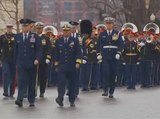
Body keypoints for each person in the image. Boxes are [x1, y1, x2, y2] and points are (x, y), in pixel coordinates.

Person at [14, 18, 42, 107]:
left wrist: (37, 59)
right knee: (21, 81)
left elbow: (39, 50)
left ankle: (31, 99)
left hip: (32, 63)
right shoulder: (17, 36)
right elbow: (15, 50)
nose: (24, 28)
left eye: (26, 26)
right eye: (23, 26)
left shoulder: (35, 37)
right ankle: (20, 99)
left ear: (30, 27)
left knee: (31, 82)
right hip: (21, 63)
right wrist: (16, 61)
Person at [54, 23, 81, 107]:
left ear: (69, 31)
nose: (65, 32)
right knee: (61, 82)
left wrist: (78, 62)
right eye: (64, 31)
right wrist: (56, 64)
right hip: (62, 65)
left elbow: (78, 52)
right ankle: (60, 98)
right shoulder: (59, 40)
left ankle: (72, 100)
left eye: (67, 31)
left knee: (72, 83)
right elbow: (56, 53)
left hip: (72, 65)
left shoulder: (74, 40)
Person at [97, 17, 124, 98]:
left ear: (112, 24)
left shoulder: (117, 33)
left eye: (110, 23)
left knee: (113, 74)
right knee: (105, 73)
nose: (109, 25)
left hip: (114, 57)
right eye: (107, 23)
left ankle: (111, 91)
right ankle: (105, 90)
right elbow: (98, 45)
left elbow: (121, 44)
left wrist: (119, 52)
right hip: (105, 57)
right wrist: (98, 54)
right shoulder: (102, 34)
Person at [34, 22, 52, 98]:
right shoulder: (32, 37)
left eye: (40, 28)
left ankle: (42, 91)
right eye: (37, 28)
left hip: (43, 61)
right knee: (33, 77)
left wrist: (48, 58)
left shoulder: (46, 38)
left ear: (42, 29)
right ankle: (33, 92)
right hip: (34, 60)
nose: (39, 30)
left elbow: (49, 49)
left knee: (42, 77)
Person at [0, 24, 16, 97]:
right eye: (8, 28)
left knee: (13, 75)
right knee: (5, 73)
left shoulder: (15, 36)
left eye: (10, 28)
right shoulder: (2, 37)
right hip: (5, 58)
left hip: (13, 58)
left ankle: (12, 91)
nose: (9, 29)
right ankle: (5, 91)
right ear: (6, 28)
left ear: (12, 28)